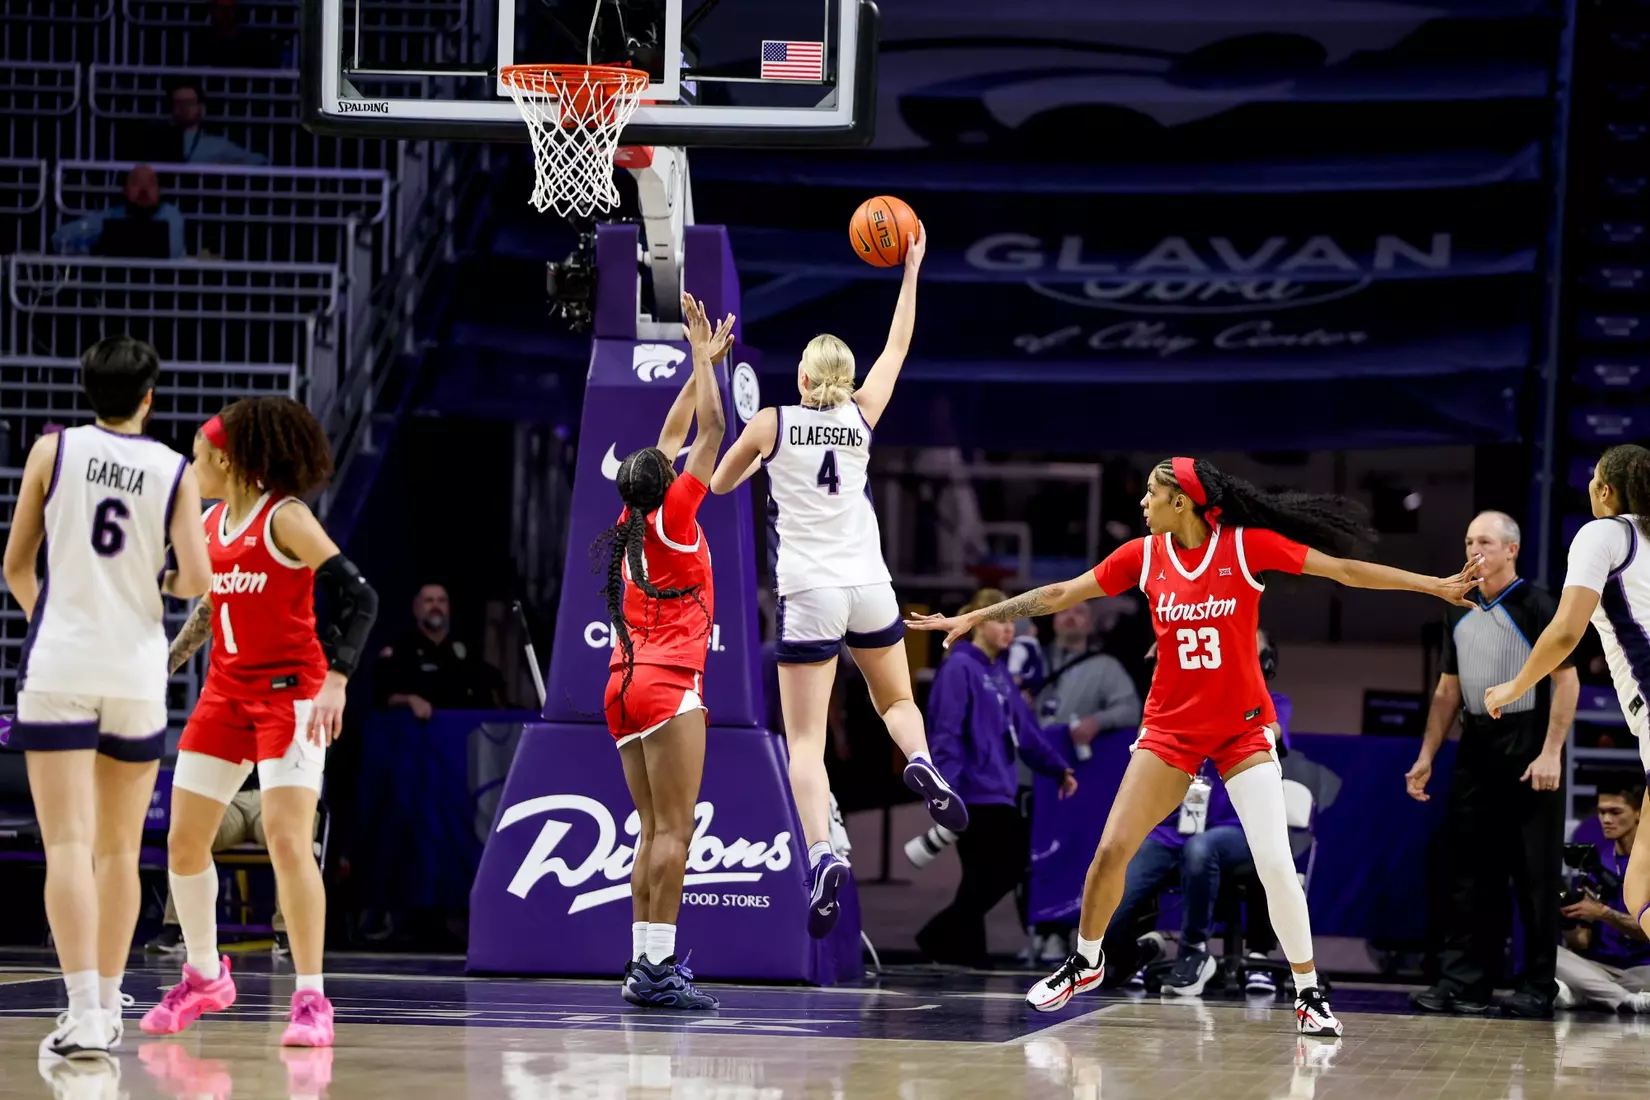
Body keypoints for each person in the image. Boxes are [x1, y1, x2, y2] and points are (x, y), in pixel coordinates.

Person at [907, 456, 1482, 1036]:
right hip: (1170, 729)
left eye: (1150, 496)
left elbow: (1344, 572)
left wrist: (1432, 585)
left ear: (1179, 501)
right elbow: (1061, 592)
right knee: (1110, 852)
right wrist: (977, 615)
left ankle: (1308, 991)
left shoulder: (1245, 548)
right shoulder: (1143, 556)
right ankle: (1086, 960)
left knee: (1276, 864)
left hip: (1240, 728)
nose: (1141, 505)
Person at [710, 224, 966, 940]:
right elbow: (899, 347)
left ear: (799, 377)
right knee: (895, 702)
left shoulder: (772, 423)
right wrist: (910, 270)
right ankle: (922, 763)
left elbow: (722, 484)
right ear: (846, 379)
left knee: (805, 745)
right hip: (870, 586)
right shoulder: (862, 415)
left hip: (811, 594)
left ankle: (820, 853)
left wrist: (752, 452)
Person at [140, 396, 380, 1048]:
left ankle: (310, 998)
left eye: (197, 457)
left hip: (292, 695)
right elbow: (212, 609)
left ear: (228, 458)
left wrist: (337, 680)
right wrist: (166, 661)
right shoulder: (214, 522)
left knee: (285, 841)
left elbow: (361, 596)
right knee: (184, 842)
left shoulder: (289, 518)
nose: (192, 468)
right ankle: (202, 973)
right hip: (226, 692)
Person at [2, 336, 210, 1061]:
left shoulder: (49, 453)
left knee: (65, 844)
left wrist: (54, 618)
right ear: (148, 399)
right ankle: (108, 1011)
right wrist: (147, 587)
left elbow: (16, 566)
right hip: (135, 668)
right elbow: (196, 579)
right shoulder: (174, 469)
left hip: (61, 661)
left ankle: (85, 1008)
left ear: (86, 390)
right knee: (120, 851)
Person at [601, 294, 734, 1009]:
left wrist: (699, 360)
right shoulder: (677, 512)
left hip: (620, 686)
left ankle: (643, 964)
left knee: (650, 830)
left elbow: (674, 429)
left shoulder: (630, 514)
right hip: (667, 682)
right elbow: (708, 427)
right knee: (674, 831)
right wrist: (701, 354)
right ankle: (654, 972)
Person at [1404, 510, 1577, 1018]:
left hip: (1530, 745)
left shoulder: (1540, 604)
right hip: (1477, 746)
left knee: (1534, 875)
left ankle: (1537, 986)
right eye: (1467, 541)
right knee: (1469, 874)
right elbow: (1446, 691)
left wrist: (1551, 752)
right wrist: (1426, 755)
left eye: (1484, 541)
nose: (1473, 550)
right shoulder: (1456, 608)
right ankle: (1466, 983)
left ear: (1511, 549)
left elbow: (1566, 682)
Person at [1484, 445, 1650, 955]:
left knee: (1641, 891)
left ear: (1606, 490)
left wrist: (1513, 686)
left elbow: (1564, 631)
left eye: (1593, 482)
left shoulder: (1603, 533)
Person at [915, 588, 1078, 967]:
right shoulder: (959, 668)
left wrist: (1057, 767)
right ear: (979, 621)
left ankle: (967, 954)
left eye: (1012, 622)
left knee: (978, 876)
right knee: (1007, 866)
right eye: (1002, 620)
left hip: (997, 790)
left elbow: (1026, 730)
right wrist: (945, 793)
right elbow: (946, 734)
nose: (1010, 630)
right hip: (972, 793)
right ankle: (938, 936)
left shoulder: (998, 671)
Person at [144, 777, 289, 957]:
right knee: (190, 834)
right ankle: (176, 927)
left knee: (289, 840)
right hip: (225, 796)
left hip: (277, 793)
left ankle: (288, 931)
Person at [1555, 778, 1650, 1012]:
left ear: (1639, 813)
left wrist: (1604, 914)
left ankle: (1591, 995)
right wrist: (1566, 917)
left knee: (1572, 987)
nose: (1606, 820)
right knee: (1550, 954)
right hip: (1601, 967)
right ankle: (1628, 1000)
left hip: (1644, 969)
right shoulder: (1596, 864)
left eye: (1615, 812)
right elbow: (1582, 941)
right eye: (1602, 812)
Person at [375, 583, 508, 714]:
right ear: (416, 608)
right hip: (416, 731)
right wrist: (410, 700)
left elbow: (487, 692)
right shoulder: (401, 648)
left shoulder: (464, 650)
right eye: (429, 601)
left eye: (441, 601)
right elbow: (383, 698)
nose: (436, 606)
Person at [50, 165, 186, 260]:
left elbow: (172, 251)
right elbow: (59, 239)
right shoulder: (110, 216)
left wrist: (116, 240)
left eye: (151, 184)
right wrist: (94, 243)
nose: (144, 190)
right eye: (136, 183)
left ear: (159, 190)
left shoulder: (171, 216)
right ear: (125, 190)